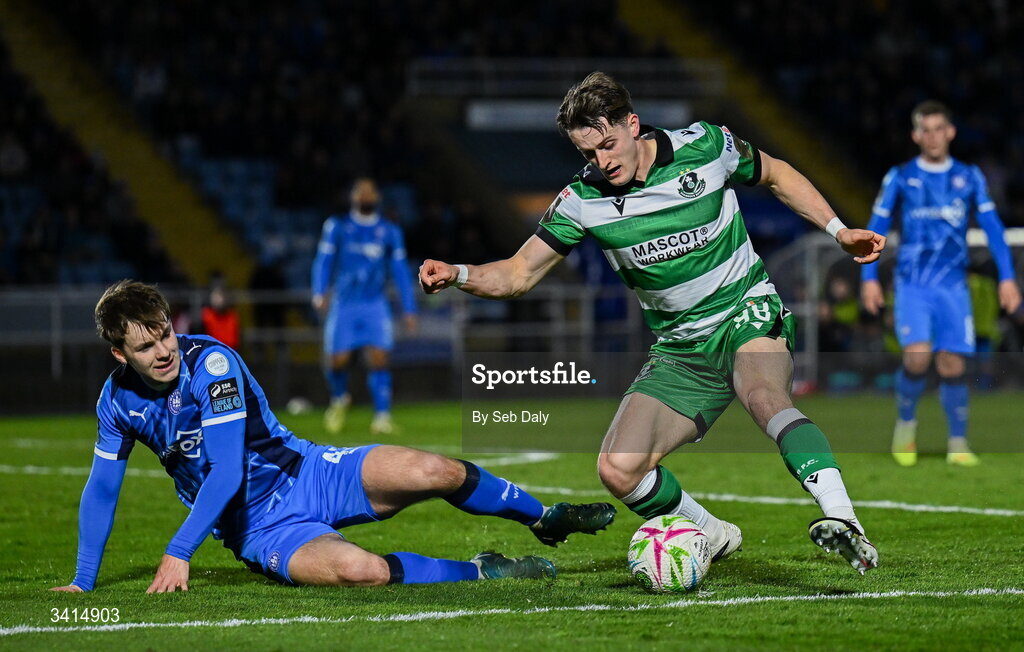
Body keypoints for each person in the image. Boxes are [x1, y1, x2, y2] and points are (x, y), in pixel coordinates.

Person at [420, 72, 886, 574]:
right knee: (618, 469)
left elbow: (775, 173)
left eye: (608, 144)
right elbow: (517, 273)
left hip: (743, 312)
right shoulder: (582, 200)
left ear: (632, 124)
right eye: (588, 153)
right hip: (680, 348)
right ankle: (709, 532)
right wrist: (458, 273)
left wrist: (838, 230)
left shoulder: (706, 146)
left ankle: (845, 522)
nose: (602, 161)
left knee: (765, 398)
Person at [51, 280, 615, 593]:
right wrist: (82, 583)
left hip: (312, 471)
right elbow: (103, 488)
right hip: (259, 525)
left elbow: (225, 467)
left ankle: (543, 519)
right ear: (119, 354)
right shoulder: (115, 403)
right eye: (147, 348)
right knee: (360, 572)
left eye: (166, 335)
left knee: (435, 470)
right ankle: (485, 569)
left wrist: (178, 553)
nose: (165, 351)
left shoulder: (211, 366)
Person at [860, 101, 1021, 468]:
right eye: (925, 130)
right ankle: (905, 425)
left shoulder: (970, 177)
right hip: (913, 285)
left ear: (951, 132)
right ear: (916, 135)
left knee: (952, 364)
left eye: (939, 128)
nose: (933, 136)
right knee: (917, 358)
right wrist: (869, 278)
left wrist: (1007, 277)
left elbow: (994, 230)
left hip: (953, 287)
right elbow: (876, 228)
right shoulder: (899, 177)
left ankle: (958, 442)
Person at [312, 178, 417, 435]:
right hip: (344, 303)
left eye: (371, 191)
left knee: (380, 359)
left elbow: (401, 271)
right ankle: (339, 398)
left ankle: (382, 417)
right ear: (353, 197)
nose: (366, 195)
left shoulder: (390, 231)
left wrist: (409, 308)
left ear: (377, 197)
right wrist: (319, 290)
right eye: (361, 191)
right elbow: (323, 261)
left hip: (375, 303)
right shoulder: (337, 227)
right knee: (337, 361)